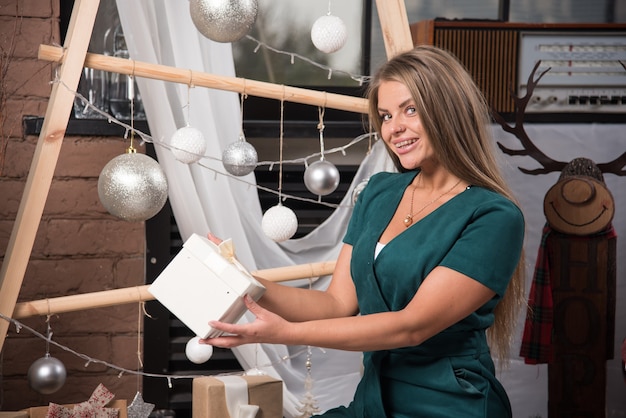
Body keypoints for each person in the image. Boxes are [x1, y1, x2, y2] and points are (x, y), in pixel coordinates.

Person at [202, 45, 526, 418]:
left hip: (450, 402)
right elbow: (336, 304)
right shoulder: (379, 192)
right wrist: (243, 280)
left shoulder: (494, 216)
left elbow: (410, 327)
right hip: (374, 398)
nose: (394, 128)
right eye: (386, 115)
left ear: (448, 110)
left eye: (411, 109)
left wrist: (282, 334)